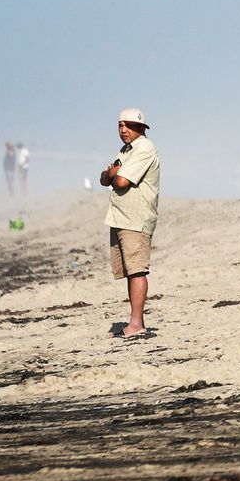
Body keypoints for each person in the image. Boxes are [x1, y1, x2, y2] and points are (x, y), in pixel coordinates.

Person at [100, 108, 161, 340]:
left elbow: (121, 180)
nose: (123, 130)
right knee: (129, 271)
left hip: (136, 217)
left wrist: (113, 173)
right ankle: (135, 322)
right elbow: (105, 178)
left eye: (129, 125)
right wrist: (112, 173)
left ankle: (137, 324)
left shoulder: (144, 149)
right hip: (121, 216)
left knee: (137, 270)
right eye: (120, 125)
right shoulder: (126, 150)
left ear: (141, 128)